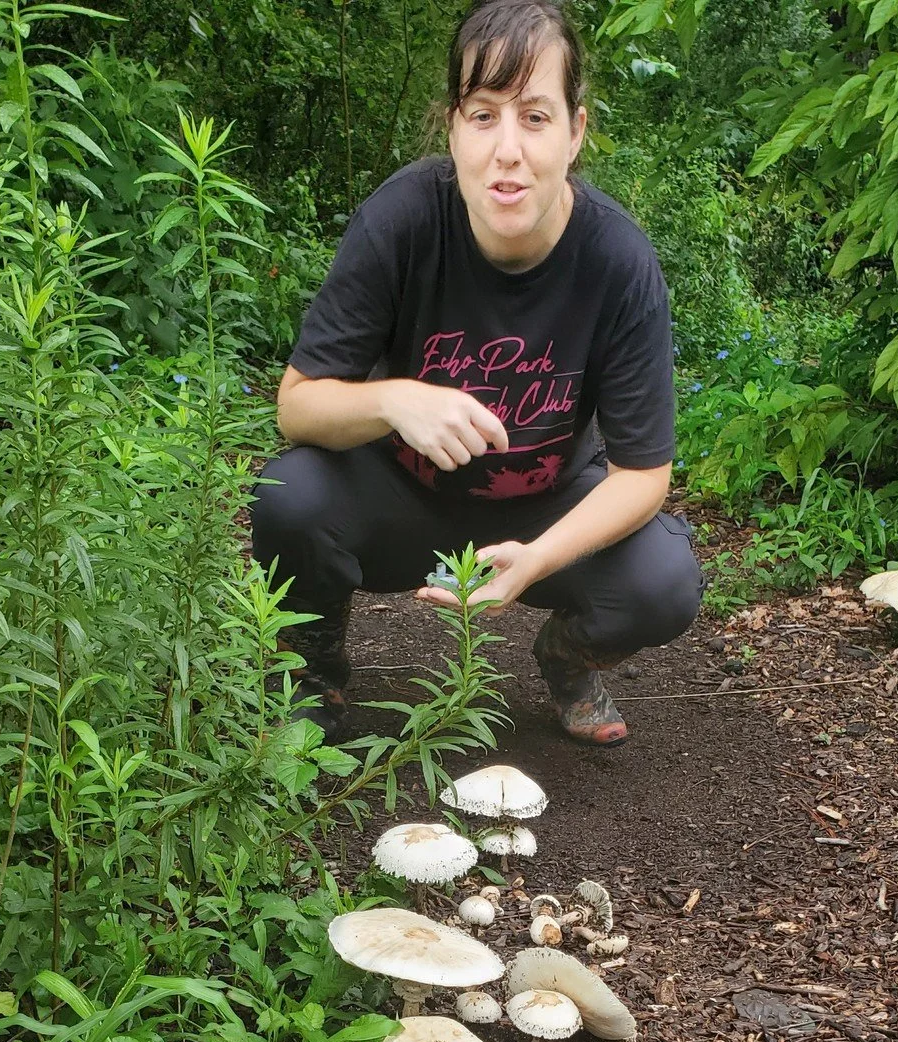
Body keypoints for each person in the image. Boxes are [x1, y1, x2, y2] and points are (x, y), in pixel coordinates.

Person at [250, 0, 702, 748]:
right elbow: (297, 407)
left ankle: (565, 654)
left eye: (534, 116)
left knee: (663, 582)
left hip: (546, 509)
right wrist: (396, 400)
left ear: (575, 130)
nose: (508, 150)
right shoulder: (403, 219)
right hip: (401, 500)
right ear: (453, 127)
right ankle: (314, 669)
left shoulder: (618, 261)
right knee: (289, 495)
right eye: (483, 114)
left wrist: (539, 560)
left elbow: (642, 474)